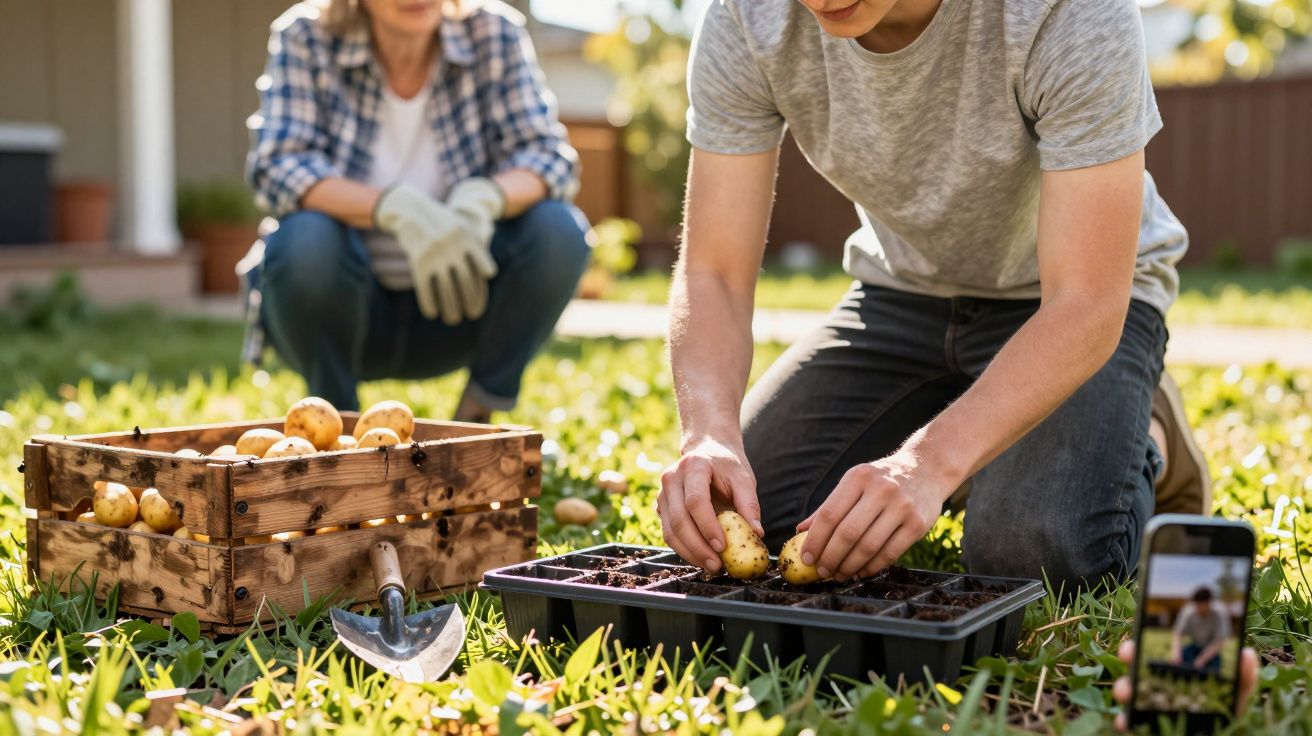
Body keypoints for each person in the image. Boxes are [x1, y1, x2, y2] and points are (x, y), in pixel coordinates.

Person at [657, 0, 1213, 592]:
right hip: (900, 294)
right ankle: (983, 436)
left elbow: (1087, 301)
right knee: (750, 518)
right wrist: (709, 432)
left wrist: (926, 465)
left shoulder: (1071, 12)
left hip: (1064, 305)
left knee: (1035, 557)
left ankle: (1145, 429)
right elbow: (713, 271)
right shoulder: (747, 15)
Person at [244, 0, 589, 420]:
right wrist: (390, 207)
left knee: (558, 229)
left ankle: (475, 420)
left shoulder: (494, 33)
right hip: (347, 315)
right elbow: (277, 165)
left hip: (461, 307)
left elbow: (549, 157)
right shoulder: (306, 36)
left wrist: (487, 196)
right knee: (305, 238)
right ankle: (335, 426)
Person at [1170, 587, 1231, 673]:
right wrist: (1177, 656)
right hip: (1193, 646)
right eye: (1197, 606)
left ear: (1210, 602)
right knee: (1183, 664)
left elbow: (1219, 641)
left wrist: (1201, 660)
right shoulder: (1187, 611)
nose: (1199, 610)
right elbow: (1178, 635)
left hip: (1210, 650)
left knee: (1213, 670)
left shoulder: (1220, 612)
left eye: (1203, 607)